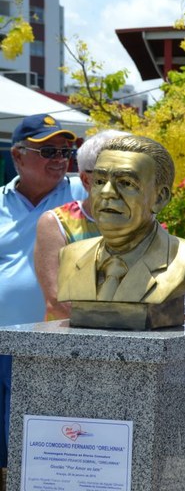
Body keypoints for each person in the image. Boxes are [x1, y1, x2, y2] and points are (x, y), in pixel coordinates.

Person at [0, 113, 83, 475]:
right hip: (1, 346)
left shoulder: (86, 197)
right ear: (18, 157)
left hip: (59, 349)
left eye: (66, 151)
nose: (60, 159)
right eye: (48, 150)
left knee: (44, 455)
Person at [57, 135, 185, 308]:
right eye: (99, 181)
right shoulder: (71, 256)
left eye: (126, 183)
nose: (107, 192)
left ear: (159, 198)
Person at [34, 129, 129, 320]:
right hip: (70, 343)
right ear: (87, 180)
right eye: (115, 175)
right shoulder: (56, 223)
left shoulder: (143, 221)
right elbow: (57, 300)